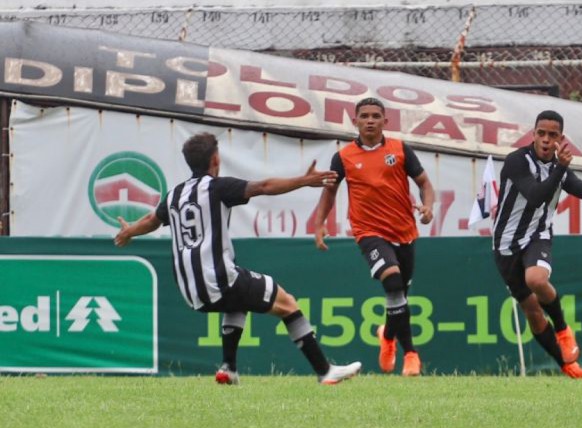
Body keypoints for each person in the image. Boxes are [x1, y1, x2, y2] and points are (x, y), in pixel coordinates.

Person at [114, 132, 361, 385]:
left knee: (237, 302)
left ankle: (228, 368)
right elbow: (263, 187)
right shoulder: (217, 187)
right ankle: (325, 371)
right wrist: (304, 180)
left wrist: (129, 231)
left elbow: (151, 221)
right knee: (287, 303)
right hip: (218, 280)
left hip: (189, 289)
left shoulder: (175, 195)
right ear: (216, 159)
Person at [492, 110, 582, 379]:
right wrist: (562, 168)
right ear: (533, 134)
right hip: (505, 244)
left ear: (560, 139)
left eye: (552, 135)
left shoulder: (559, 168)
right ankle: (567, 365)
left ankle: (563, 329)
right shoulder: (517, 161)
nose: (545, 139)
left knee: (536, 279)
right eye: (541, 133)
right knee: (532, 311)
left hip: (537, 235)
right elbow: (534, 196)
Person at [313, 97, 435, 377]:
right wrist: (319, 223)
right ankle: (412, 354)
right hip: (369, 231)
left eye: (375, 116)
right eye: (364, 116)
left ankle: (387, 336)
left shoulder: (400, 150)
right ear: (355, 121)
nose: (370, 120)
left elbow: (425, 184)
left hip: (404, 231)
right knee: (392, 281)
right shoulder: (343, 157)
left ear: (385, 121)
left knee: (399, 295)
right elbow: (330, 192)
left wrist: (428, 207)